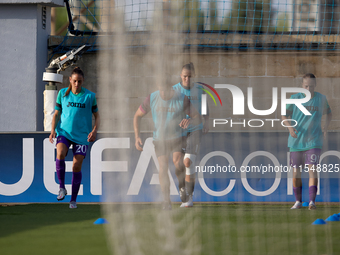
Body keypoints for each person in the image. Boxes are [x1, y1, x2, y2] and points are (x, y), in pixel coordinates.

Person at [134, 83, 199, 210]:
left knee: (178, 163)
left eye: (166, 90)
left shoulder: (182, 98)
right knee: (163, 167)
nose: (163, 93)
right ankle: (166, 201)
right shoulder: (152, 98)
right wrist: (137, 137)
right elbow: (137, 116)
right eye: (161, 89)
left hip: (178, 137)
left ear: (171, 88)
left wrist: (190, 120)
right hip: (160, 139)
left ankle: (182, 188)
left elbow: (197, 116)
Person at [49, 67, 100, 209]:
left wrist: (95, 131)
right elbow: (56, 114)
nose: (77, 84)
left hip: (82, 136)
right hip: (64, 132)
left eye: (79, 81)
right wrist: (53, 130)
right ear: (70, 80)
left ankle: (73, 200)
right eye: (74, 81)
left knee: (76, 166)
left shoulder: (90, 96)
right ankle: (61, 187)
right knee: (60, 153)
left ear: (83, 81)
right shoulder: (62, 94)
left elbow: (97, 116)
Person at [282, 73, 332, 210]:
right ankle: (298, 201)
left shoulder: (321, 99)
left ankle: (312, 202)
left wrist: (325, 128)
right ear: (302, 86)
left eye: (311, 86)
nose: (309, 88)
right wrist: (290, 128)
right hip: (296, 140)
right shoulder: (294, 98)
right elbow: (283, 114)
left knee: (312, 169)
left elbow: (329, 113)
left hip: (314, 140)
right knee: (296, 172)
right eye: (306, 86)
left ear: (315, 85)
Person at [173, 63, 209, 207]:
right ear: (180, 76)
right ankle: (183, 189)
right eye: (184, 76)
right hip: (177, 131)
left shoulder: (200, 91)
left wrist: (207, 121)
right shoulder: (174, 90)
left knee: (188, 162)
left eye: (189, 76)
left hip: (195, 129)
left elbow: (205, 109)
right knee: (177, 162)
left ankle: (189, 197)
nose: (187, 79)